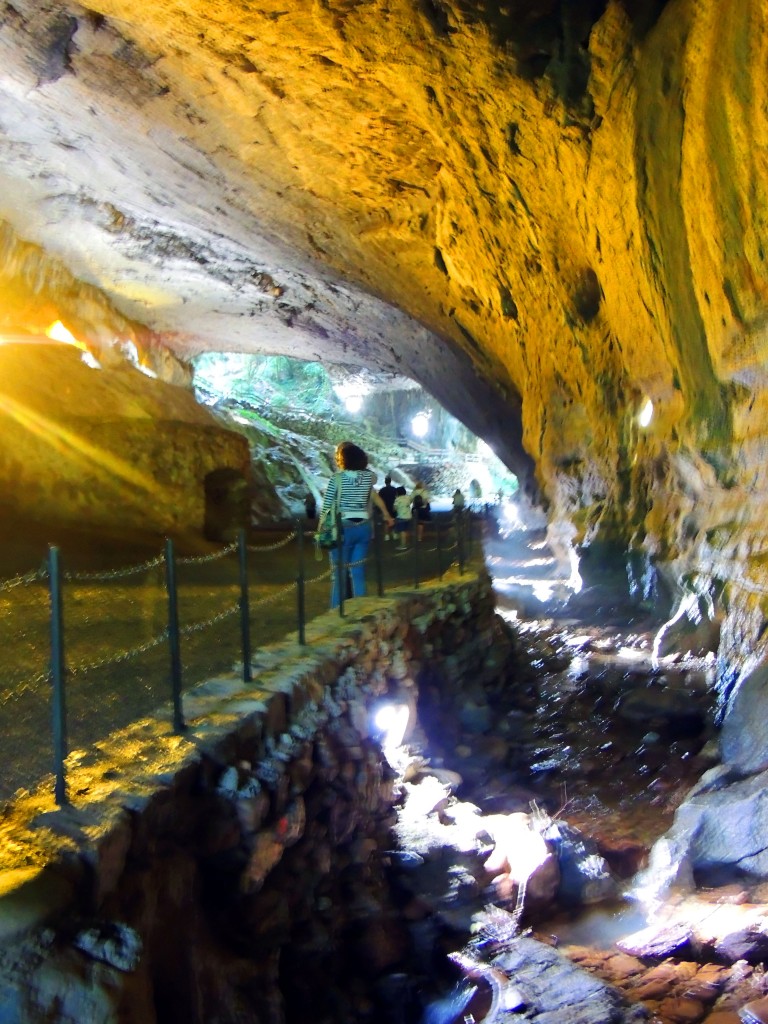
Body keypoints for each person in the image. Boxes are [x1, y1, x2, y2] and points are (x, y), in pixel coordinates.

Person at [317, 441, 394, 608]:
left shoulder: (336, 479)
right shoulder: (368, 478)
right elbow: (372, 478)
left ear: (343, 460)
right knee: (357, 572)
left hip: (342, 528)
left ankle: (336, 612)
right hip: (363, 528)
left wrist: (321, 530)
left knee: (339, 575)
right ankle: (360, 609)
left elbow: (327, 506)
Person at [378, 474, 398, 541]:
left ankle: (387, 536)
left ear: (385, 482)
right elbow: (396, 498)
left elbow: (379, 499)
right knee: (393, 520)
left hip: (385, 508)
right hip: (393, 507)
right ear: (390, 481)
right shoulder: (394, 489)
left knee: (386, 522)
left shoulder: (382, 490)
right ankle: (394, 534)